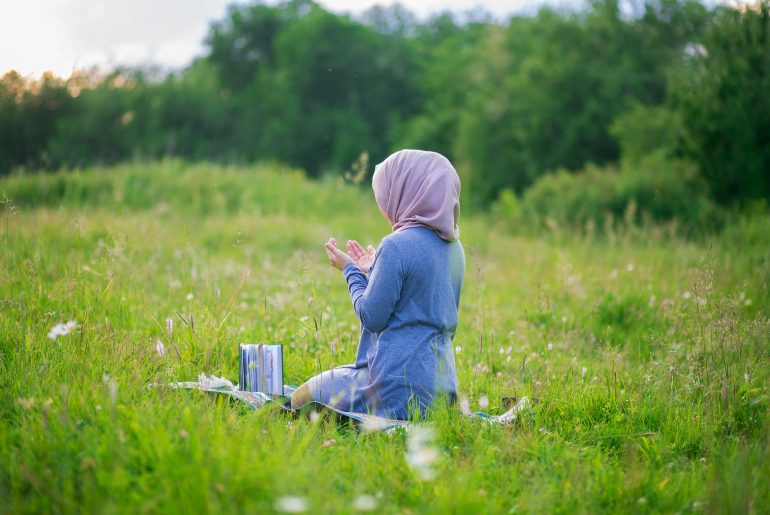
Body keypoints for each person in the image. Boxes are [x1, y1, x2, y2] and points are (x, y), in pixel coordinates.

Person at [290, 149, 465, 420]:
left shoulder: (395, 245)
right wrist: (376, 270)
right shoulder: (456, 250)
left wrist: (350, 270)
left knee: (299, 398)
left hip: (393, 388)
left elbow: (372, 317)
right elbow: (420, 303)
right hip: (442, 392)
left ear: (405, 192)